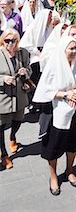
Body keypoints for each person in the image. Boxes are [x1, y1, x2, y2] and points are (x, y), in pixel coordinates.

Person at [33, 37, 76, 195]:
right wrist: (65, 94)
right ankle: (53, 176)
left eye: (75, 48)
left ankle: (69, 170)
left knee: (73, 144)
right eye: (71, 49)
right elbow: (45, 90)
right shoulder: (54, 64)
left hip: (74, 111)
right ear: (63, 49)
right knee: (54, 147)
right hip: (57, 113)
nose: (74, 51)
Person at [0, 29, 31, 169]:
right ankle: (4, 155)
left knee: (19, 120)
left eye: (13, 40)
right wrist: (2, 79)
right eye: (7, 40)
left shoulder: (22, 52)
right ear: (2, 40)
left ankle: (13, 137)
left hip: (19, 94)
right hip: (3, 97)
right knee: (0, 127)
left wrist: (26, 72)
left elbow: (29, 69)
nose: (10, 44)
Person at [19, 9, 53, 112]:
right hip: (35, 57)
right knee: (35, 79)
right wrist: (35, 51)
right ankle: (32, 102)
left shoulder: (49, 28)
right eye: (49, 17)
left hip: (46, 57)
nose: (50, 19)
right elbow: (24, 43)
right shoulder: (33, 28)